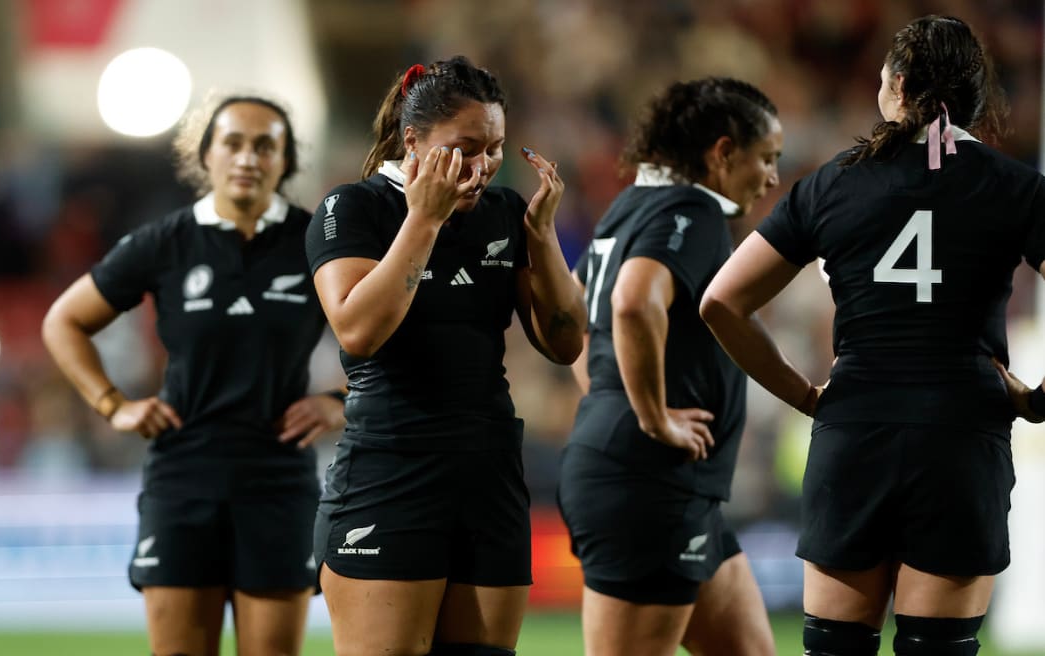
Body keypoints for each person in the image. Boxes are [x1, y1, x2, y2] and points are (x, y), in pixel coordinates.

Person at [699, 14, 1045, 656]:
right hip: (960, 437)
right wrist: (1039, 398)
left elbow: (721, 302)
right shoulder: (1018, 188)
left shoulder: (832, 183)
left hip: (855, 432)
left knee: (835, 648)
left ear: (899, 86)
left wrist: (805, 395)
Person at [42, 94, 345, 656]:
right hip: (183, 479)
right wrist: (112, 404)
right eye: (233, 143)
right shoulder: (165, 242)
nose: (248, 157)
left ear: (285, 161)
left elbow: (387, 335)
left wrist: (340, 401)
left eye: (265, 146)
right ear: (205, 154)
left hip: (279, 482)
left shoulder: (314, 243)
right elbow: (64, 321)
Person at [305, 56, 586, 656]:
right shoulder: (353, 209)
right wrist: (425, 219)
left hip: (489, 476)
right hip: (391, 473)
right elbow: (358, 331)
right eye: (466, 149)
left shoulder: (504, 213)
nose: (483, 166)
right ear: (413, 141)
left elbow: (565, 344)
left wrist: (542, 237)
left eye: (496, 149)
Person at [556, 78, 783, 656]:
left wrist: (609, 399)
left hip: (668, 484)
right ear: (723, 152)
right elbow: (633, 302)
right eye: (765, 158)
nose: (772, 177)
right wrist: (650, 416)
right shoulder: (693, 210)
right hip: (651, 482)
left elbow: (577, 316)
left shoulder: (628, 207)